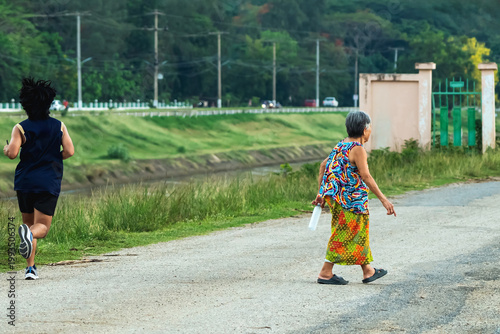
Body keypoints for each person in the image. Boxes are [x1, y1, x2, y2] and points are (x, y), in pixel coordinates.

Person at [311, 110, 396, 285]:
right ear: (365, 129)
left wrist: (321, 193)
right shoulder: (357, 149)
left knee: (358, 233)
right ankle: (325, 272)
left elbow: (323, 166)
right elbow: (366, 176)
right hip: (350, 201)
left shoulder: (341, 145)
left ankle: (368, 271)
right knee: (344, 234)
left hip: (340, 200)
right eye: (370, 126)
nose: (370, 130)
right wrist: (383, 199)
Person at [3, 77, 74, 280]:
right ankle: (30, 262)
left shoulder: (20, 128)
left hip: (25, 182)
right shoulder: (59, 126)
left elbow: (13, 153)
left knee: (28, 225)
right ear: (49, 103)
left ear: (25, 105)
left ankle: (30, 269)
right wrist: (53, 158)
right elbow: (69, 151)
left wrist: (7, 148)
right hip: (48, 181)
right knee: (40, 227)